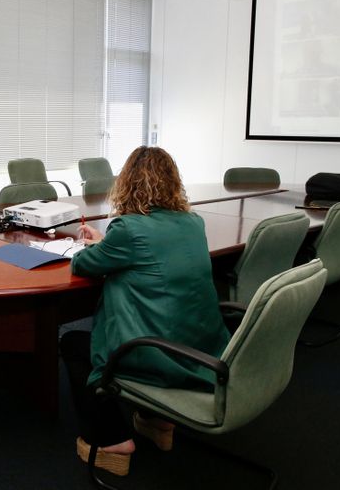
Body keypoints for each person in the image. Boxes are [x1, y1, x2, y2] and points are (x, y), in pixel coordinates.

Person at [61, 146, 230, 476]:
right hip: (199, 351)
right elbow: (148, 252)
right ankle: (159, 422)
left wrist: (96, 245)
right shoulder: (193, 223)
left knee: (73, 344)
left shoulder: (128, 229)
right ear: (172, 182)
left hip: (156, 354)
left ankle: (111, 441)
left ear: (127, 183)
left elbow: (83, 264)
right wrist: (107, 242)